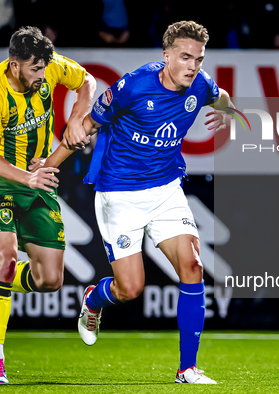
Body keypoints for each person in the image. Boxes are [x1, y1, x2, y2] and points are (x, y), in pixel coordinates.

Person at [40, 20, 232, 384]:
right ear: (166, 55)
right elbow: (85, 128)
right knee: (130, 289)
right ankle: (95, 300)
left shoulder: (201, 84)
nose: (193, 65)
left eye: (199, 59)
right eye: (185, 57)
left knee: (192, 267)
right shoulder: (132, 86)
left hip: (166, 190)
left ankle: (187, 368)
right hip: (119, 195)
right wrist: (45, 170)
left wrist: (229, 109)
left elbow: (218, 95)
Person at [0, 26, 96, 383]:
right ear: (15, 64)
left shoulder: (47, 66)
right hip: (1, 182)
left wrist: (78, 116)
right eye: (34, 69)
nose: (41, 75)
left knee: (50, 279)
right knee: (5, 263)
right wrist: (29, 176)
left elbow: (87, 82)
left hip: (39, 178)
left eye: (44, 69)